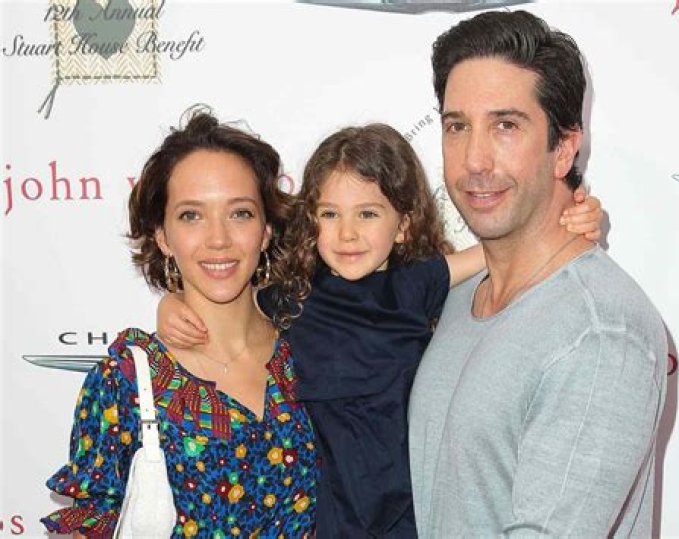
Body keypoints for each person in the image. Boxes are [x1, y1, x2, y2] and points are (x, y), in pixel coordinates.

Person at [159, 123, 603, 537]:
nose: (347, 234)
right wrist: (172, 301)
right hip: (325, 514)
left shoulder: (415, 286)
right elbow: (229, 299)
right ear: (312, 223)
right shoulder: (296, 298)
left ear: (403, 224)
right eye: (330, 214)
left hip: (405, 511)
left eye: (368, 214)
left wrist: (573, 219)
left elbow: (507, 250)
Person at [408, 10, 667, 537]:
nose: (474, 160)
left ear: (564, 148)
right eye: (457, 126)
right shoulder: (460, 297)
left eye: (505, 125)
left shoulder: (600, 330)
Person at [41, 110, 318, 538]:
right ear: (163, 236)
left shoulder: (314, 352)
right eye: (191, 215)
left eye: (240, 213)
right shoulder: (126, 382)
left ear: (265, 230)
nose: (218, 239)